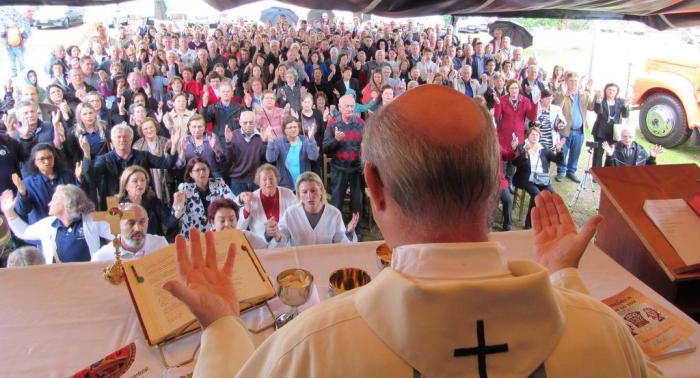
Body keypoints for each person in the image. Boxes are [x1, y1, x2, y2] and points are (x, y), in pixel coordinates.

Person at [164, 85, 661, 378]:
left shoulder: (313, 351)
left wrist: (223, 327)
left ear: (373, 190)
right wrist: (566, 284)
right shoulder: (604, 336)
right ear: (494, 187)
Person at [1, 184, 112, 264]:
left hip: (88, 278)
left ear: (68, 201)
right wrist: (9, 212)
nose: (49, 203)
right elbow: (24, 232)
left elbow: (117, 235)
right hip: (57, 280)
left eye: (54, 199)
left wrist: (102, 256)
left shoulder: (91, 220)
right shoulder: (48, 224)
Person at [81, 122, 179, 209]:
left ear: (131, 139)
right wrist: (86, 154)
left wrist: (174, 145)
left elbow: (167, 163)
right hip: (115, 205)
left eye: (125, 136)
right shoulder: (103, 159)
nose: (122, 139)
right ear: (112, 141)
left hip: (141, 203)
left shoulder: (143, 155)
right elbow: (90, 176)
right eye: (118, 137)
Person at [268, 172, 357, 247]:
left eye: (313, 190)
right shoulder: (290, 213)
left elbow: (341, 245)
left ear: (321, 190)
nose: (309, 196)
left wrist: (348, 232)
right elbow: (281, 243)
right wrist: (277, 235)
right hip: (299, 263)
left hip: (326, 261)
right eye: (304, 192)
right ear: (299, 194)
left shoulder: (334, 214)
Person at [511, 127, 565, 229]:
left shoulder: (543, 148)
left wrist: (559, 150)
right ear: (528, 135)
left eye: (537, 134)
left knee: (554, 196)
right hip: (526, 178)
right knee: (537, 195)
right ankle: (529, 224)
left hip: (542, 179)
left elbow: (559, 161)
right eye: (532, 134)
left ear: (539, 137)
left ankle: (551, 222)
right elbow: (514, 163)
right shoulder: (522, 146)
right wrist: (525, 153)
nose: (535, 136)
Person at [14, 144, 79, 225]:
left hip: (68, 224)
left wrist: (79, 180)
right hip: (43, 227)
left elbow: (78, 199)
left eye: (49, 157)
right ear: (35, 162)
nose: (47, 161)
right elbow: (22, 211)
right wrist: (23, 194)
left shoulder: (67, 175)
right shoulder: (28, 183)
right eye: (42, 159)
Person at [323, 94, 364, 221]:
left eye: (352, 106)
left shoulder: (361, 124)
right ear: (340, 107)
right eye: (347, 106)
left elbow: (368, 147)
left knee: (357, 202)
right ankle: (336, 229)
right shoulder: (332, 124)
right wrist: (336, 140)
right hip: (339, 168)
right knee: (337, 201)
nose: (350, 109)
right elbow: (325, 148)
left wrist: (365, 164)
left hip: (357, 169)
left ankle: (355, 231)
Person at [173, 157, 235, 235]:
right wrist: (179, 205)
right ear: (191, 174)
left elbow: (233, 202)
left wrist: (241, 199)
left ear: (209, 171)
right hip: (192, 236)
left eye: (204, 169)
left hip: (214, 234)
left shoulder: (219, 184)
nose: (202, 172)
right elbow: (176, 216)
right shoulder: (185, 188)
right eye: (198, 170)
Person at [236, 164, 296, 242]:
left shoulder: (288, 194)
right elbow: (240, 228)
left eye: (271, 178)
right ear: (258, 182)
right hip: (260, 245)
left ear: (277, 180)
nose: (268, 182)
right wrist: (246, 211)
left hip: (285, 244)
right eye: (264, 179)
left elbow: (296, 219)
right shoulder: (252, 198)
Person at [115, 165, 179, 239]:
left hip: (154, 245)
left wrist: (178, 208)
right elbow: (114, 235)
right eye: (135, 181)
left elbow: (170, 223)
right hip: (132, 246)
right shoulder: (119, 206)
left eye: (143, 180)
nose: (140, 183)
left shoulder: (154, 201)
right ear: (126, 186)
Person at [91, 203, 168, 261]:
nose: (137, 228)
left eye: (142, 222)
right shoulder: (101, 258)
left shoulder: (160, 245)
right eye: (131, 223)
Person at [553, 72, 593, 183]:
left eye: (576, 81)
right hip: (565, 131)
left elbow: (592, 107)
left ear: (579, 82)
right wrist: (564, 94)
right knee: (563, 152)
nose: (574, 83)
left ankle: (571, 171)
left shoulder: (584, 95)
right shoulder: (562, 94)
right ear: (567, 82)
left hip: (579, 131)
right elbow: (556, 106)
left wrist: (592, 92)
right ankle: (561, 171)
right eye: (571, 81)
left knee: (576, 153)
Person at [265, 116, 319, 190]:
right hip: (285, 185)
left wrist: (311, 139)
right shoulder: (279, 142)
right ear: (284, 130)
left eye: (295, 127)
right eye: (290, 127)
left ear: (299, 128)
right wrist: (271, 141)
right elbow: (271, 159)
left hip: (304, 184)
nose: (293, 129)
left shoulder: (305, 140)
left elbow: (314, 157)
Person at [591, 83, 630, 169]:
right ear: (605, 90)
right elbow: (598, 111)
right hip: (601, 131)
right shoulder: (601, 100)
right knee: (598, 154)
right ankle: (596, 173)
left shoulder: (621, 101)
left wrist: (626, 105)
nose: (611, 92)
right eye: (609, 90)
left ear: (617, 92)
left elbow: (625, 115)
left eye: (614, 90)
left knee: (612, 152)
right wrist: (598, 100)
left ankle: (608, 171)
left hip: (615, 132)